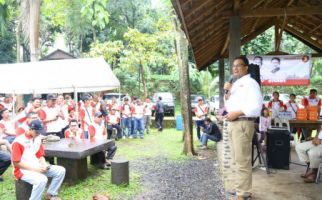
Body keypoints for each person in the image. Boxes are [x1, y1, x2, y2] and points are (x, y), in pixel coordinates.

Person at [224, 56, 262, 199]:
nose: (235, 68)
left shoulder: (251, 83)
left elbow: (256, 107)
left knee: (243, 160)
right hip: (233, 123)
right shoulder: (235, 84)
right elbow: (229, 104)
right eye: (233, 66)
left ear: (246, 67)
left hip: (242, 123)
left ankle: (244, 192)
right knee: (236, 158)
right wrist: (227, 92)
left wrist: (236, 113)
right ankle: (239, 187)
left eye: (238, 65)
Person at [11, 120, 65, 200]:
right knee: (42, 180)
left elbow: (40, 155)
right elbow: (16, 163)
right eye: (37, 132)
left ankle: (51, 194)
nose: (39, 134)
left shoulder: (37, 138)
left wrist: (44, 165)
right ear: (30, 129)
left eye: (40, 132)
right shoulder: (19, 142)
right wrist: (35, 169)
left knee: (60, 170)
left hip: (37, 166)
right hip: (22, 170)